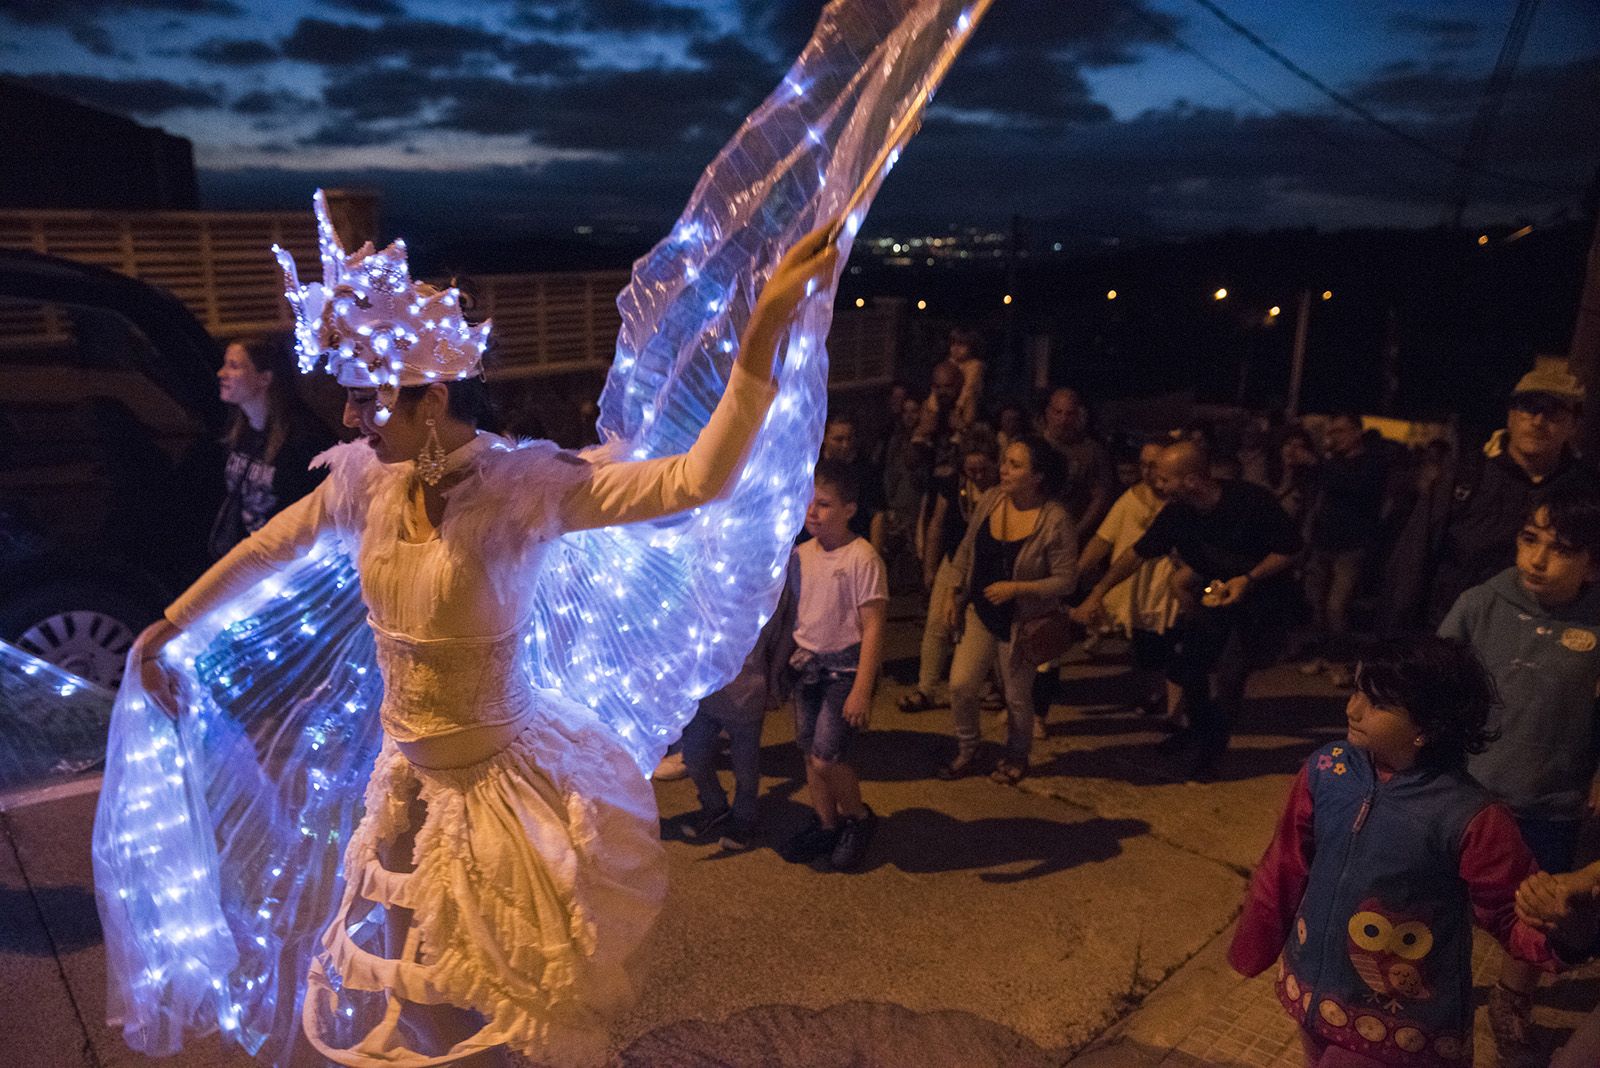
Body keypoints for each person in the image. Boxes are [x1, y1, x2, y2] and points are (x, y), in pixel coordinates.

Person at [121, 194, 840, 1065]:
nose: (349, 420)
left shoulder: (524, 491)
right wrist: (169, 623)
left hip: (505, 794)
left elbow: (694, 481)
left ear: (432, 402)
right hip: (407, 787)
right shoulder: (364, 483)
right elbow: (268, 548)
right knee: (420, 1001)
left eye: (368, 402)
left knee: (515, 1009)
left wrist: (761, 337)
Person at [1229, 635, 1556, 1068]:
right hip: (1315, 992)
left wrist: (1565, 932)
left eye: (1377, 703)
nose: (1352, 708)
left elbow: (1510, 910)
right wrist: (1254, 944)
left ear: (1428, 728)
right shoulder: (1327, 770)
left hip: (1402, 1025)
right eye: (1357, 689)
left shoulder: (1470, 816)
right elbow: (1285, 864)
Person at [1437, 484, 1600, 1057]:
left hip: (1547, 801)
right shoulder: (1481, 603)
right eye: (1530, 540)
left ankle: (1511, 999)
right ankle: (1429, 993)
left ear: (1592, 565)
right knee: (1438, 900)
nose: (1536, 558)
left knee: (1531, 913)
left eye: (1559, 548)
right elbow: (1433, 686)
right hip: (1463, 798)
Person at [1073, 440, 1302, 780]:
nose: (1156, 483)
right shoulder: (1178, 513)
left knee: (1230, 674)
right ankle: (1197, 731)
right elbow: (1137, 554)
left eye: (1164, 478)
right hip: (1215, 596)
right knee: (1189, 666)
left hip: (1262, 601)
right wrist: (1098, 593)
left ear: (1192, 480)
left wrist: (1248, 578)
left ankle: (1211, 750)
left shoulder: (1251, 502)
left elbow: (1290, 550)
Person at [1384, 361, 1599, 631]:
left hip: (1539, 643)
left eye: (1554, 413)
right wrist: (1396, 640)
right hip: (1456, 636)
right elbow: (1413, 560)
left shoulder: (1585, 490)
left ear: (1574, 424)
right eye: (1529, 407)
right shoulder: (1465, 476)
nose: (1538, 421)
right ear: (1510, 415)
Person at [938, 437, 1077, 784]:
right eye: (1005, 462)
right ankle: (970, 748)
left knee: (1016, 697)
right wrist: (952, 593)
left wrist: (1018, 588)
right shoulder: (991, 500)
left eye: (1016, 465)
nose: (1004, 470)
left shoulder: (1054, 520)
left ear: (1038, 477)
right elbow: (967, 549)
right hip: (983, 611)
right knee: (961, 684)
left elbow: (1066, 581)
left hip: (1023, 621)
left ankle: (1017, 755)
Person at [779, 459, 888, 871]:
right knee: (810, 753)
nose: (812, 512)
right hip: (807, 665)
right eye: (809, 502)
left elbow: (874, 625)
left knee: (828, 756)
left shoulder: (862, 558)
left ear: (849, 510)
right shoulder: (800, 555)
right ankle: (827, 824)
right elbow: (796, 617)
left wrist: (863, 687)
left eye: (824, 504)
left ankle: (858, 818)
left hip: (844, 671)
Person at [677, 578, 797, 852]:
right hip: (708, 693)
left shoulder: (766, 593)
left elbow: (781, 636)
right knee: (694, 755)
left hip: (746, 695)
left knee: (745, 765)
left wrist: (774, 679)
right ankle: (715, 805)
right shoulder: (708, 587)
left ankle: (745, 819)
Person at [1074, 439, 1180, 718]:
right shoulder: (1130, 499)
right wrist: (1074, 573)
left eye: (1154, 465)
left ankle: (1176, 710)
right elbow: (1103, 539)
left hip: (1171, 588)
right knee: (1144, 648)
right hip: (1139, 588)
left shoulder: (1181, 502)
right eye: (1143, 464)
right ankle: (1154, 696)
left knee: (1174, 649)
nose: (1147, 471)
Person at [209, 332, 332, 559]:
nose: (222, 374)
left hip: (285, 562)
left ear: (264, 378)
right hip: (247, 559)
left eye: (234, 366)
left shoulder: (303, 438)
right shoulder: (241, 431)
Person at [899, 443, 998, 713]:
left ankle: (993, 687)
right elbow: (938, 524)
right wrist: (930, 568)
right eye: (971, 469)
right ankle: (926, 689)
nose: (977, 475)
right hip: (956, 558)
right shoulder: (954, 485)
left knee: (989, 625)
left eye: (983, 469)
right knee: (937, 623)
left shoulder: (1002, 490)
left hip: (992, 566)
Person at [1299, 414, 1387, 686]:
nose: (1333, 436)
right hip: (1323, 543)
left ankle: (1343, 663)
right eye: (1331, 431)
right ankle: (1322, 654)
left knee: (1337, 607)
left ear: (1357, 432)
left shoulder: (1371, 462)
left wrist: (1317, 464)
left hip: (1351, 546)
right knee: (1315, 604)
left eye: (1339, 431)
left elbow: (1358, 488)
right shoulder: (1332, 462)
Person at [1040, 386, 1116, 546]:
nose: (1063, 420)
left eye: (1069, 414)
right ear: (1048, 413)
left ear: (1077, 415)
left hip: (1070, 532)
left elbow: (1100, 497)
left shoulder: (1093, 451)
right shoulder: (1031, 446)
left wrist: (1075, 532)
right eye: (1058, 412)